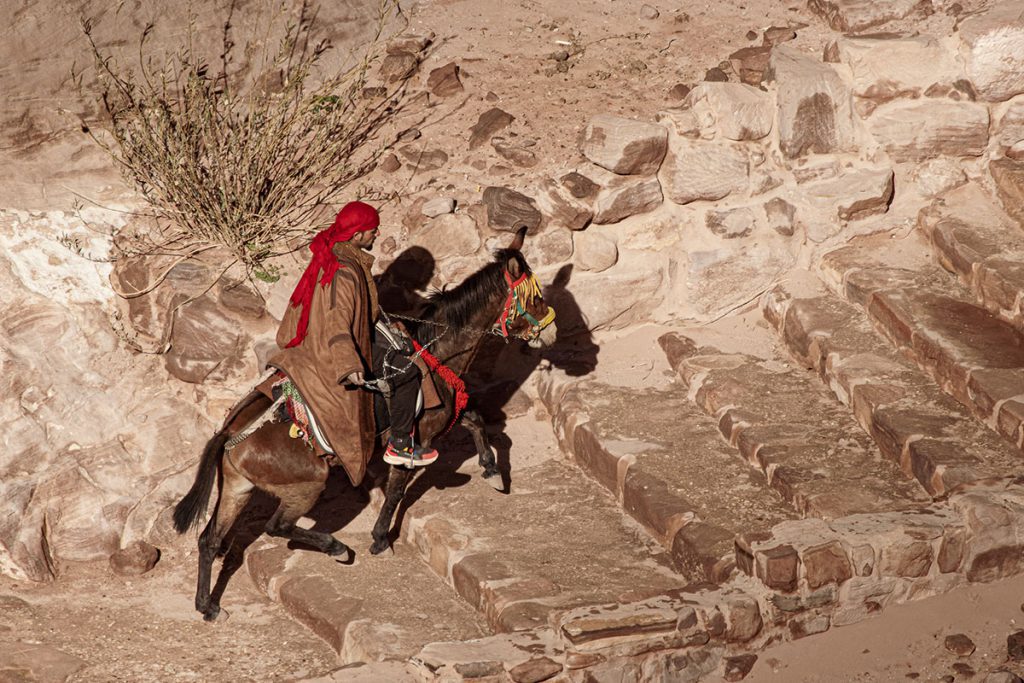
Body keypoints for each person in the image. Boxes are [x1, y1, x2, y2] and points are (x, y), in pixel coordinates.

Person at [268, 201, 438, 485]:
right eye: (372, 230)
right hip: (335, 346)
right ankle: (399, 445)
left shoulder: (336, 255)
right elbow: (337, 319)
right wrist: (349, 363)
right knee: (408, 372)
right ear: (357, 235)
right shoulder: (345, 271)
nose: (377, 234)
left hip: (336, 336)